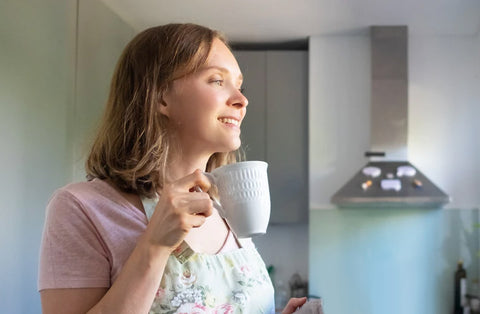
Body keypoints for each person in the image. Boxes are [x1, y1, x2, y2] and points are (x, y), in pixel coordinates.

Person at [38, 23, 307, 313]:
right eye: (217, 81)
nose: (242, 101)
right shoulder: (82, 208)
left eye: (239, 86)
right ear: (160, 96)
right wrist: (154, 245)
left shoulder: (227, 207)